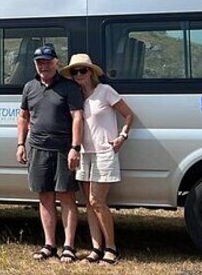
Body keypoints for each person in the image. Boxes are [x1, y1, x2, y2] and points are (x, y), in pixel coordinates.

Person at [60, 53, 135, 265]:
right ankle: (96, 249)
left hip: (104, 152)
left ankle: (111, 248)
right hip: (84, 153)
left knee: (97, 201)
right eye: (74, 72)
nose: (79, 74)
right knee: (89, 204)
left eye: (83, 70)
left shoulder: (105, 91)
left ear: (91, 72)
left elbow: (129, 115)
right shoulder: (75, 96)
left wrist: (123, 135)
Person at [16, 44, 84, 262]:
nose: (43, 65)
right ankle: (48, 244)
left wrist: (75, 147)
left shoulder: (69, 87)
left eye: (47, 61)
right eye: (39, 62)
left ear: (56, 63)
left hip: (64, 149)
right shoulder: (29, 87)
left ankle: (69, 246)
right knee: (44, 196)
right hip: (37, 148)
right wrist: (20, 143)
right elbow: (24, 117)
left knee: (66, 197)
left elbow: (77, 117)